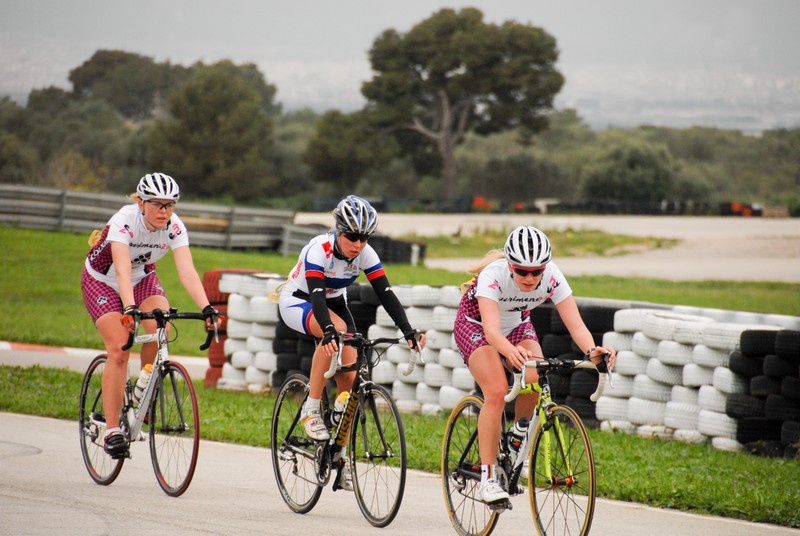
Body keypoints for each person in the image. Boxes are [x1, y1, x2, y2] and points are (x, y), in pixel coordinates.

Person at [452, 225, 617, 504]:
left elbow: (576, 324)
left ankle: (518, 438)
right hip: (476, 326)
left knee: (536, 378)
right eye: (522, 271)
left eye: (536, 272)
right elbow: (491, 331)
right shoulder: (493, 275)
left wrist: (592, 351)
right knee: (496, 390)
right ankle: (487, 479)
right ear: (510, 265)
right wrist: (509, 352)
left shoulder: (552, 276)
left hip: (517, 325)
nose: (530, 278)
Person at [81, 172, 219, 459]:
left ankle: (142, 394)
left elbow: (187, 271)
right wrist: (130, 308)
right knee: (120, 348)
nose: (164, 211)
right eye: (157, 204)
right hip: (102, 279)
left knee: (161, 329)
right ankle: (111, 429)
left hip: (142, 277)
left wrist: (207, 307)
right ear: (141, 203)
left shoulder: (175, 227)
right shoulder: (124, 220)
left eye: (170, 205)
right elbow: (121, 271)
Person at [279, 195, 426, 446]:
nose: (358, 244)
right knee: (337, 330)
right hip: (300, 300)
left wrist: (408, 330)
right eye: (352, 236)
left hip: (335, 303)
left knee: (350, 382)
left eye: (364, 238)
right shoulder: (319, 249)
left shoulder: (365, 253)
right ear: (338, 230)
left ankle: (339, 456)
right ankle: (311, 408)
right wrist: (327, 329)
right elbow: (317, 294)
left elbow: (385, 293)